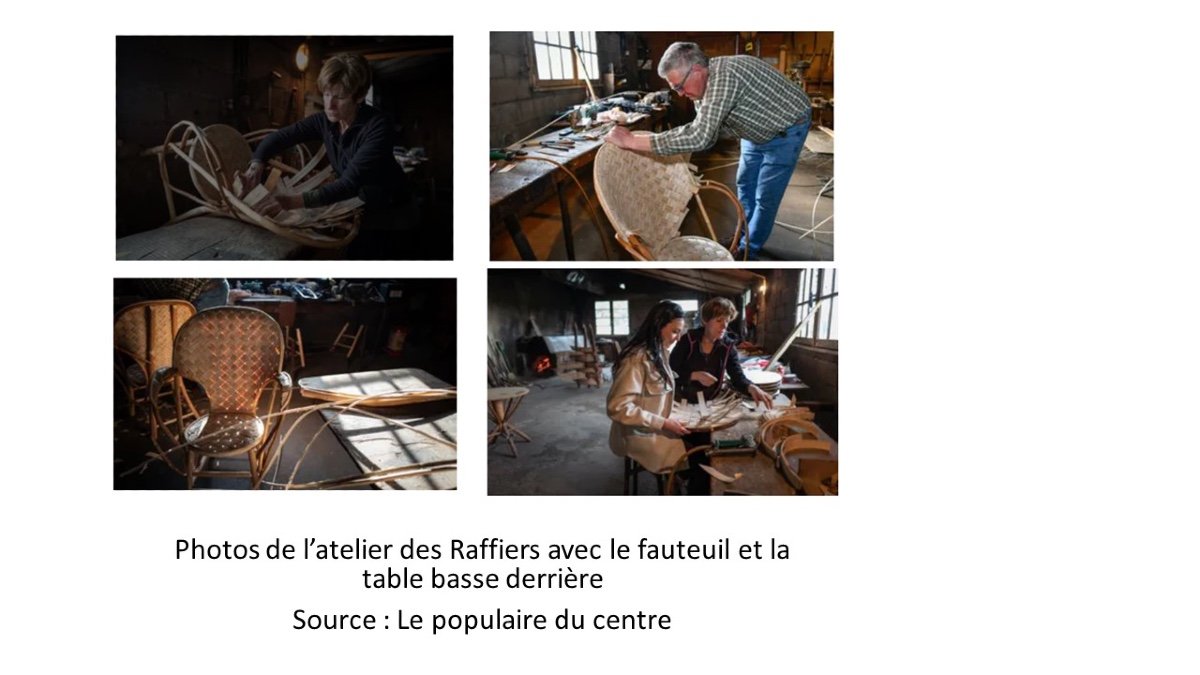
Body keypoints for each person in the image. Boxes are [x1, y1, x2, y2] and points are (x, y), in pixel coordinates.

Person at [605, 42, 812, 260]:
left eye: (679, 87)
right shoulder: (701, 89)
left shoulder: (725, 77)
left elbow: (699, 136)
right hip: (754, 130)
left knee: (765, 198)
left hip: (787, 129)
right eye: (676, 89)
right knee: (745, 183)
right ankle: (742, 237)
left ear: (696, 70)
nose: (681, 94)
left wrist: (631, 141)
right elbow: (707, 134)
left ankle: (749, 250)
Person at [239, 52, 410, 259]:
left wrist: (288, 202)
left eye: (339, 97)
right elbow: (278, 138)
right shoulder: (325, 121)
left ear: (359, 96)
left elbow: (348, 184)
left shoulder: (378, 126)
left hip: (390, 212)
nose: (329, 104)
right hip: (359, 207)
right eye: (327, 94)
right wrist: (256, 164)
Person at [607, 301, 691, 484]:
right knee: (692, 455)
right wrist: (664, 423)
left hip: (653, 425)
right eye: (675, 331)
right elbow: (618, 408)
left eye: (680, 332)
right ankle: (676, 483)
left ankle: (678, 482)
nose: (678, 337)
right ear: (658, 326)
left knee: (695, 442)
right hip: (637, 433)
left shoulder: (658, 352)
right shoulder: (636, 359)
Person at [670, 296, 774, 410]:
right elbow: (670, 371)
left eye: (727, 320)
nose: (724, 326)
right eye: (719, 320)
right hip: (682, 400)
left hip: (711, 401)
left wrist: (751, 387)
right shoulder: (688, 340)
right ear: (706, 321)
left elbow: (737, 376)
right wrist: (694, 375)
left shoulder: (728, 346)